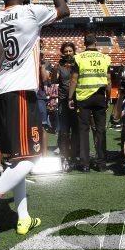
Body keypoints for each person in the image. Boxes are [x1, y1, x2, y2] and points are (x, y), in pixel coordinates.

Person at [0, 0, 69, 242]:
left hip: (0, 92)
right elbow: (64, 10)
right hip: (21, 92)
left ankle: (23, 218)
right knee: (32, 157)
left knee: (16, 159)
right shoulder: (30, 12)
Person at [68, 34, 111, 172]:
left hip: (83, 98)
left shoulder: (79, 57)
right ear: (96, 43)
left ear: (84, 43)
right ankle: (101, 163)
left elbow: (74, 80)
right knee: (100, 131)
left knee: (84, 131)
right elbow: (109, 81)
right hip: (99, 96)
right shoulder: (105, 58)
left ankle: (85, 164)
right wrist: (108, 97)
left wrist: (70, 98)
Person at [51, 42, 79, 172]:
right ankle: (65, 157)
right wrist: (55, 69)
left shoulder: (78, 62)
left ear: (74, 52)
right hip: (63, 100)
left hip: (78, 100)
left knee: (76, 130)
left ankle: (75, 156)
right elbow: (53, 81)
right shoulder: (60, 65)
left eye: (70, 51)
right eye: (66, 51)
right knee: (64, 131)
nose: (68, 53)